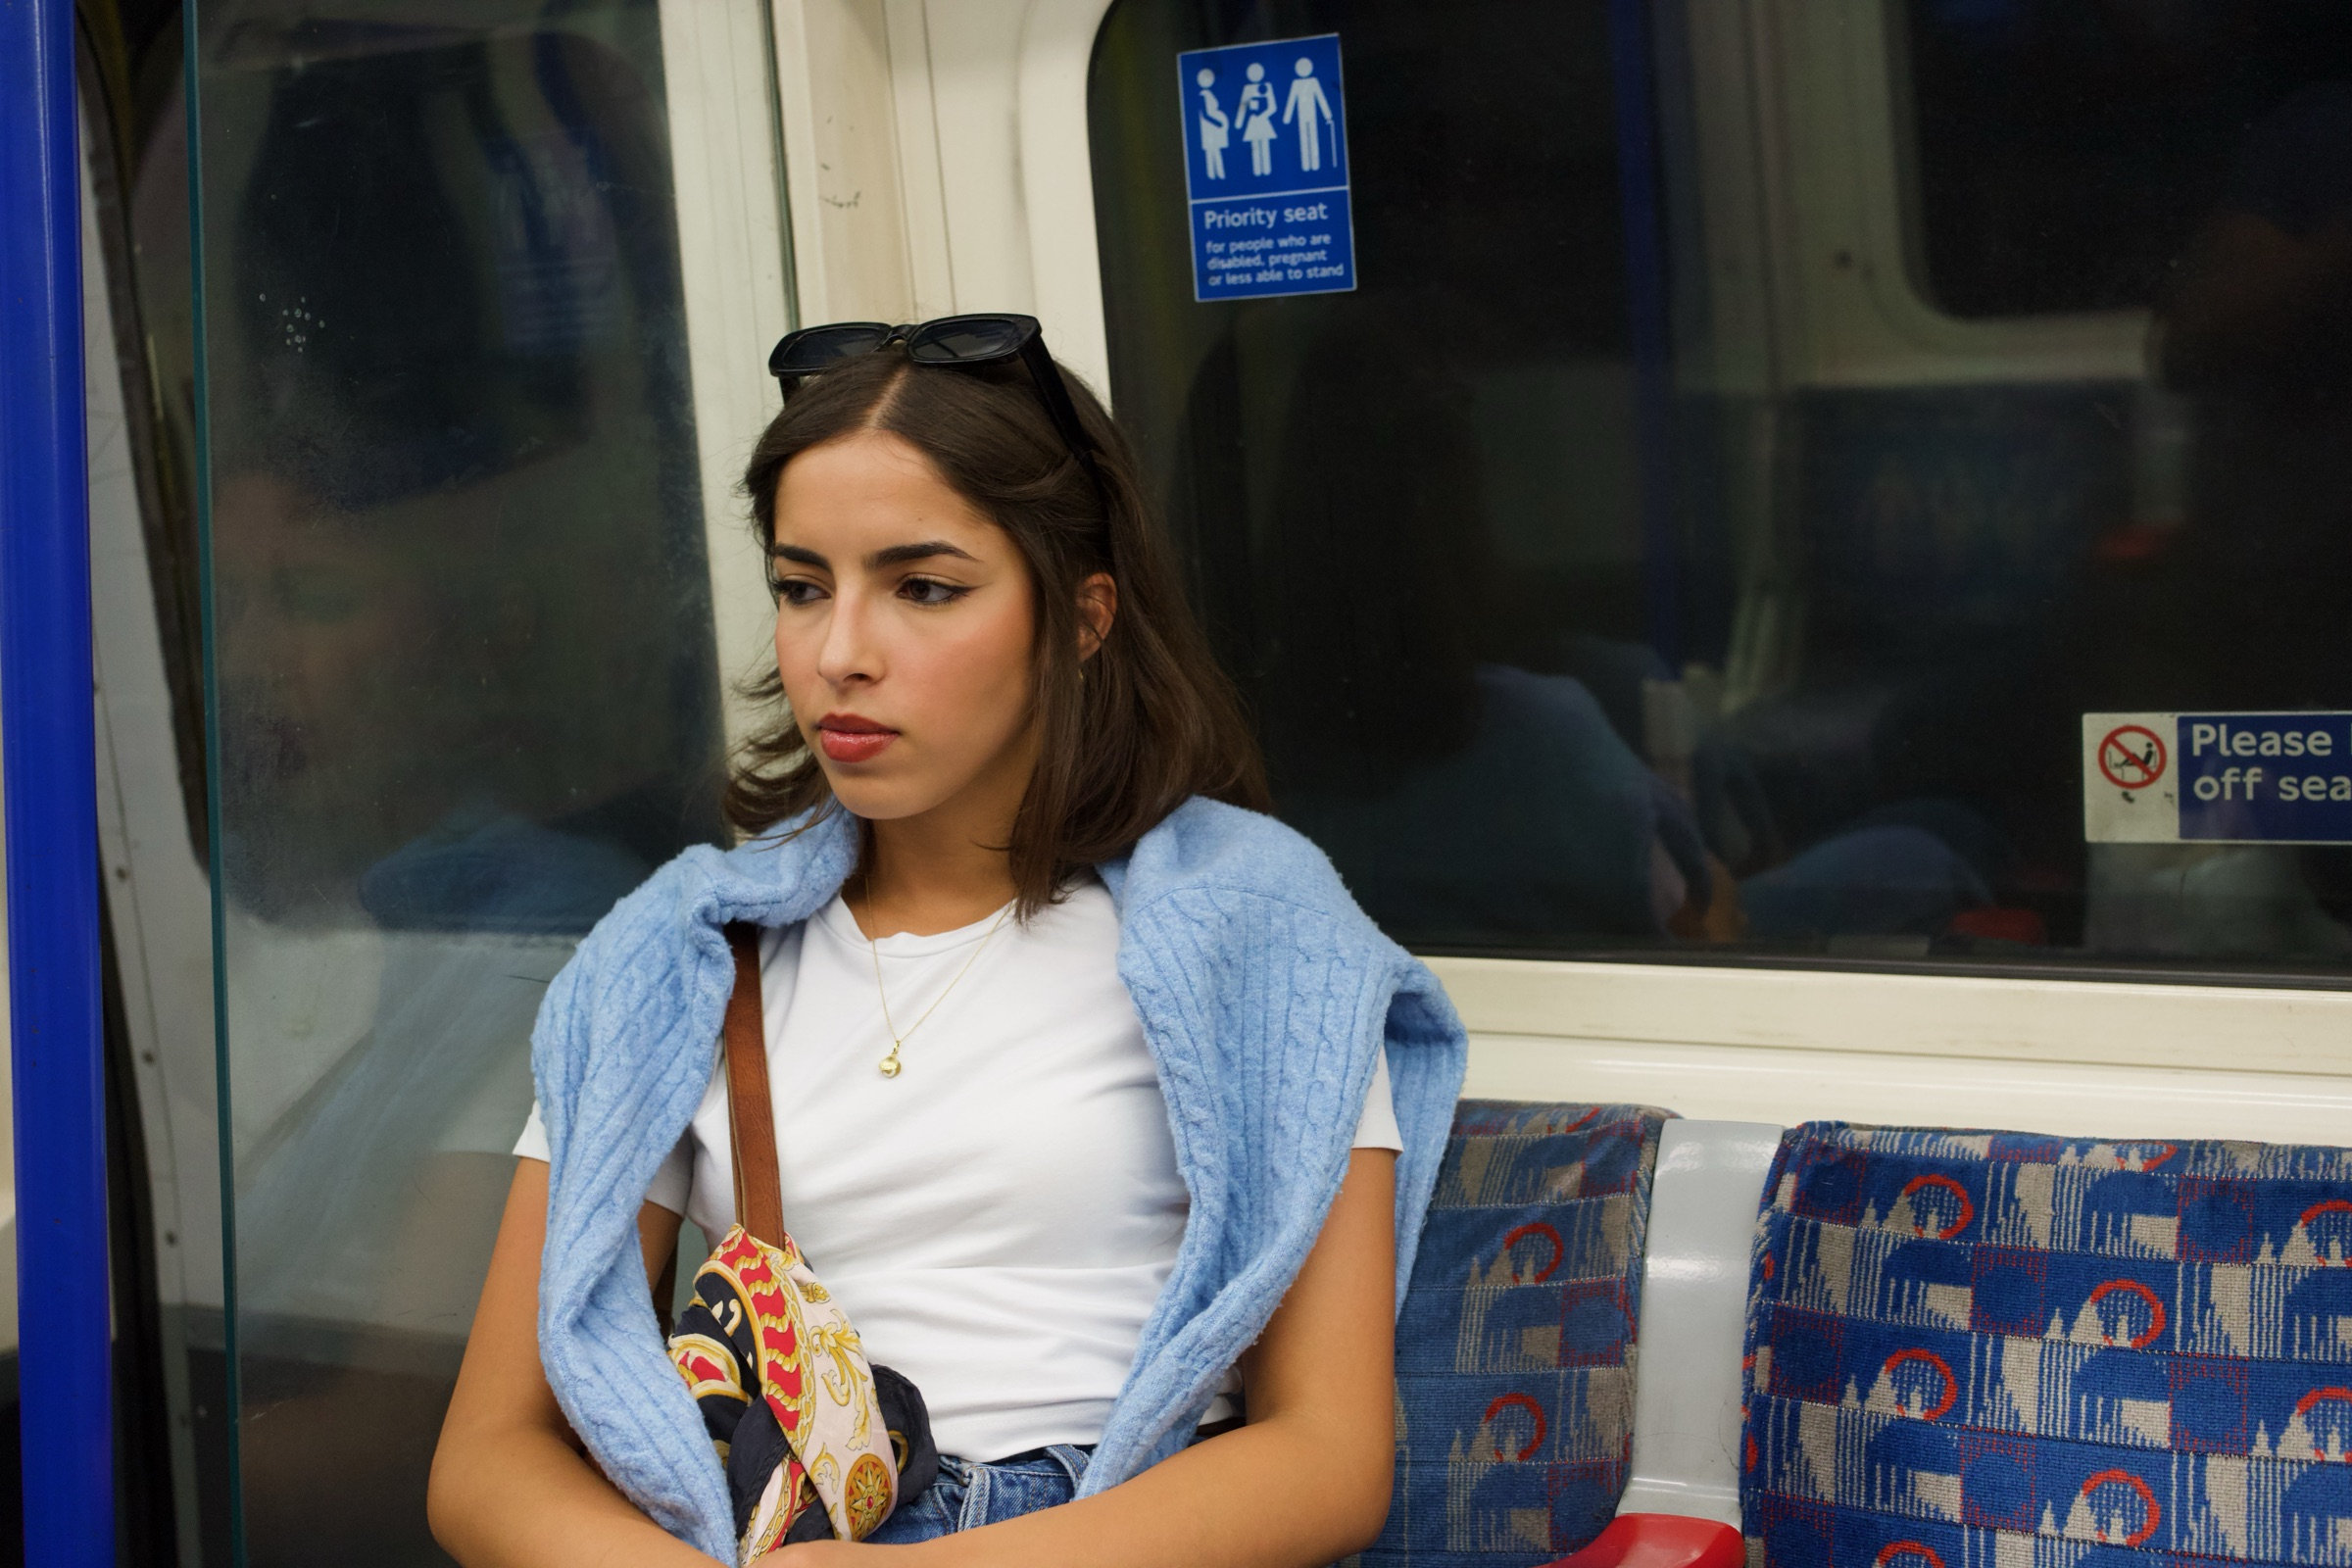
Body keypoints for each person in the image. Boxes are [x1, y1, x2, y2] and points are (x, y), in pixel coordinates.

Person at [426, 317, 1467, 1566]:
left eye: (925, 587)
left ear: (1082, 618)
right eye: (803, 587)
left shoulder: (1254, 933)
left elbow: (1328, 1455)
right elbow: (489, 1455)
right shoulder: (680, 956)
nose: (841, 654)